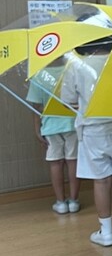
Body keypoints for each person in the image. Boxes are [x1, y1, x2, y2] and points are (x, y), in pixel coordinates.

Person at [61, 39, 112, 246]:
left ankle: (106, 233)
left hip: (93, 130)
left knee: (101, 180)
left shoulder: (76, 63)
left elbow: (68, 98)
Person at [27, 60, 81, 214]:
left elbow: (36, 107)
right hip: (72, 123)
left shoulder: (39, 75)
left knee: (55, 163)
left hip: (50, 126)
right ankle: (74, 201)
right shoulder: (73, 70)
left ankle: (61, 202)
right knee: (73, 161)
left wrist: (37, 130)